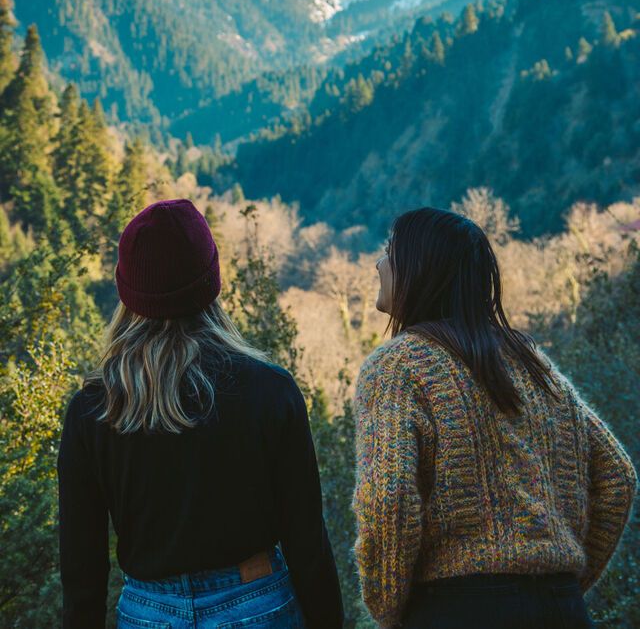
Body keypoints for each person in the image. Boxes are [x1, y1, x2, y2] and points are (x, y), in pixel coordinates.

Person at [57, 198, 344, 629]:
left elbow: (82, 562)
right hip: (258, 603)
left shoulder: (92, 410)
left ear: (127, 291)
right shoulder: (270, 390)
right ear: (212, 282)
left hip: (149, 612)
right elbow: (306, 539)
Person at [352, 206, 638, 629]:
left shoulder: (397, 366)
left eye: (390, 251)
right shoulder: (533, 366)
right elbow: (618, 477)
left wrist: (390, 610)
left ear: (421, 268)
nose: (378, 264)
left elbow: (388, 498)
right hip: (562, 610)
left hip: (457, 609)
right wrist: (564, 582)